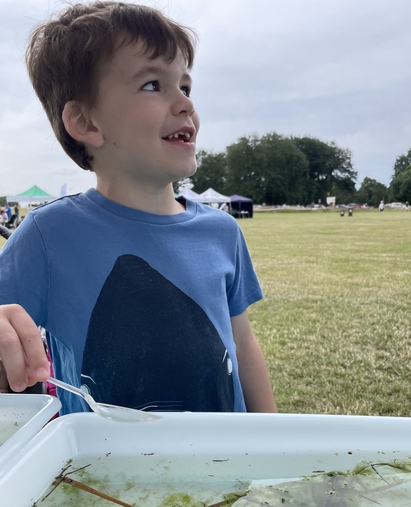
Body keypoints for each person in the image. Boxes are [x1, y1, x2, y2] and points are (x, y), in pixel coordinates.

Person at [0, 1, 276, 415]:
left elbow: (242, 344)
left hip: (228, 466)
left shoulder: (223, 232)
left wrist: (272, 438)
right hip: (103, 472)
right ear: (87, 123)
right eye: (153, 84)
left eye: (185, 86)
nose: (185, 104)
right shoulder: (48, 235)